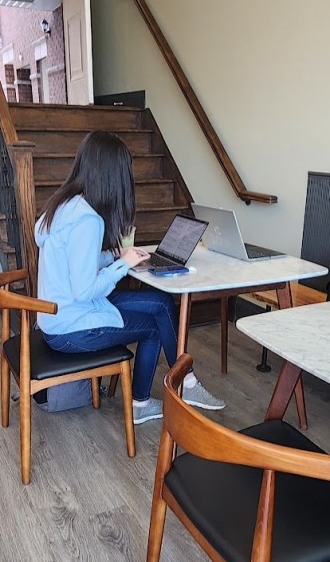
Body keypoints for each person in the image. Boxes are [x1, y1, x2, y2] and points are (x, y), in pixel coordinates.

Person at [35, 130, 225, 423]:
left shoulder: (64, 205)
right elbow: (84, 291)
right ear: (112, 175)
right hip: (72, 327)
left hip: (58, 317)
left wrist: (114, 256)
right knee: (153, 328)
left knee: (161, 302)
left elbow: (74, 263)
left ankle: (187, 382)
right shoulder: (88, 220)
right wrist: (123, 265)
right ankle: (141, 404)